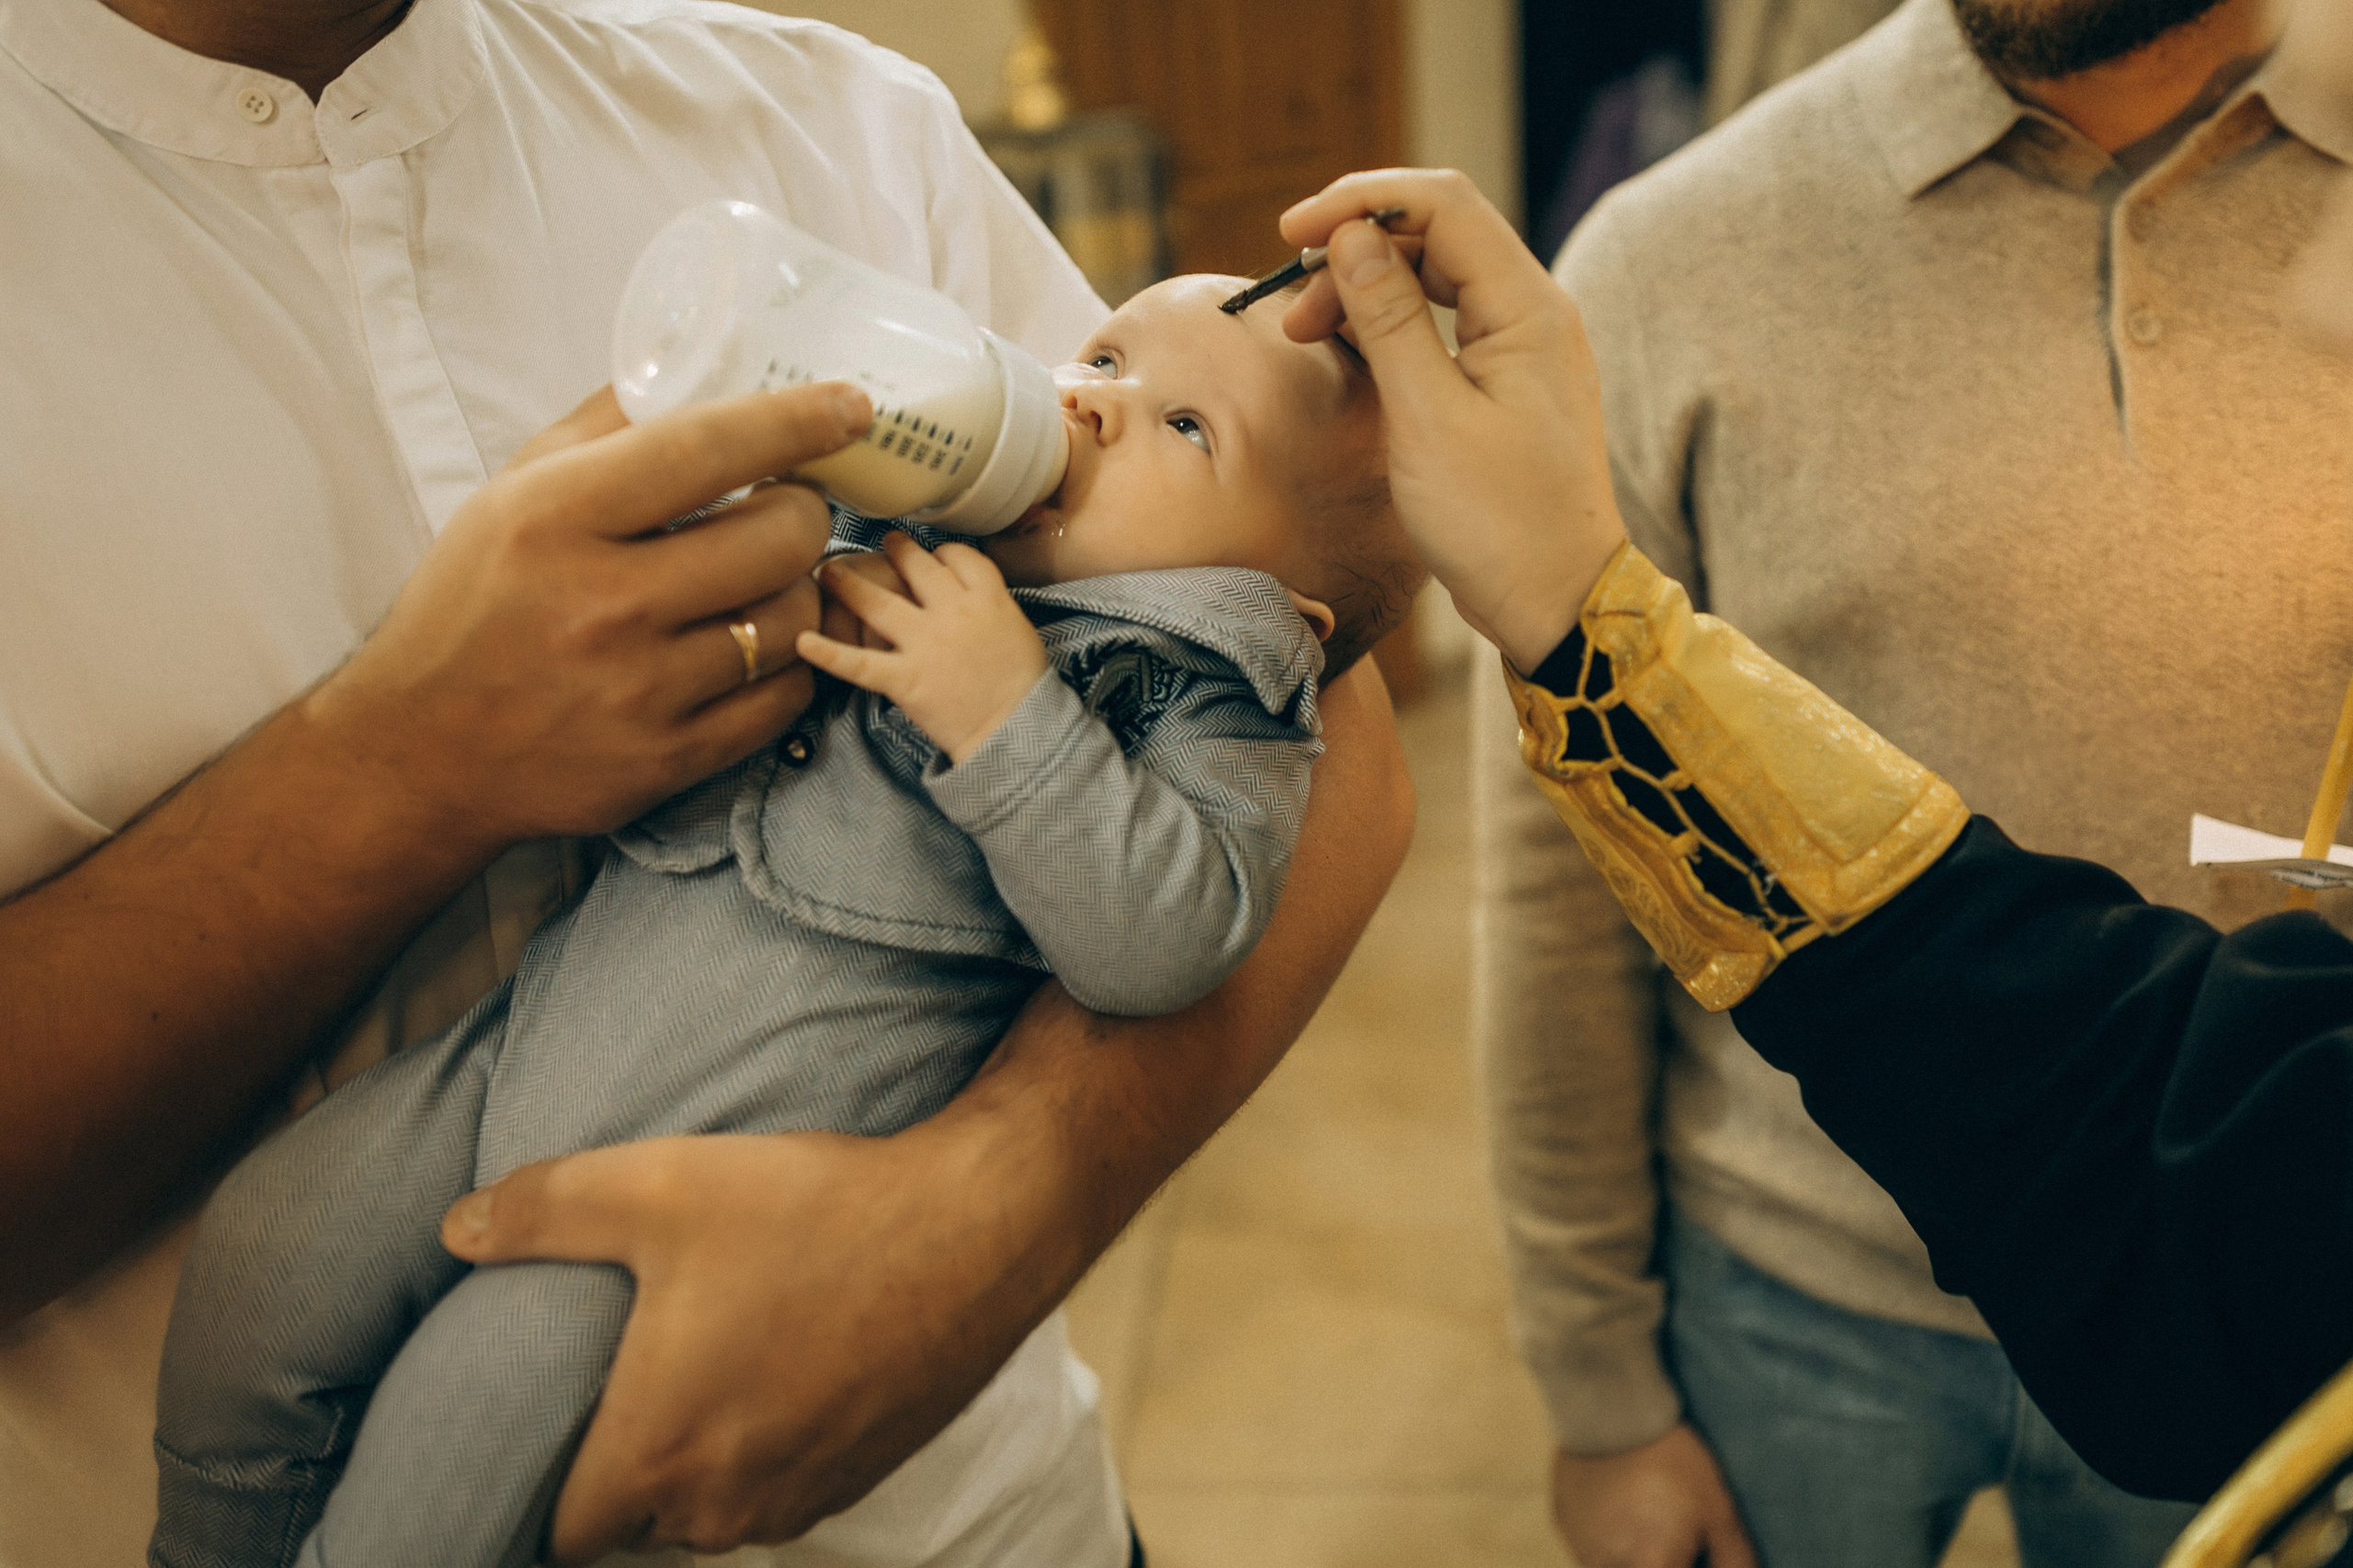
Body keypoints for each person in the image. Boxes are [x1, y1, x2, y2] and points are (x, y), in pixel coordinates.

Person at [0, 3, 1413, 1564]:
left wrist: (994, 1214)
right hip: (476, 1097)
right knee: (273, 1260)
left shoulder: (841, 124)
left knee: (469, 1414)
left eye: (1177, 419)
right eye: (1099, 359)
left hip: (969, 1525)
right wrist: (400, 766)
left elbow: (1312, 753)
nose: (1079, 403)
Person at [1267, 125, 2353, 1510]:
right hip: (1793, 1291)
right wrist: (1601, 1380)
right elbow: (1553, 909)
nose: (2318, 293)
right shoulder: (1669, 251)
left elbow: (2205, 1174)